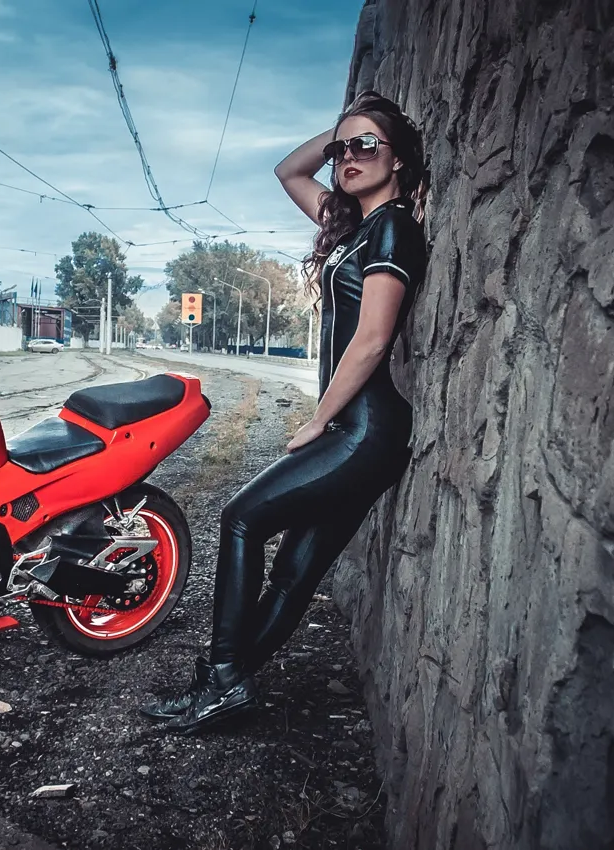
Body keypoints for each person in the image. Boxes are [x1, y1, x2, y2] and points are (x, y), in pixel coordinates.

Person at [140, 91, 430, 734]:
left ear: (401, 159)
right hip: (359, 428)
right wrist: (349, 129)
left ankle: (220, 678)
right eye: (341, 150)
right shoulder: (352, 224)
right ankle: (222, 685)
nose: (347, 158)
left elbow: (374, 338)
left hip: (364, 428)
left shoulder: (394, 228)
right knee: (296, 571)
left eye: (366, 147)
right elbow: (288, 172)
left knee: (242, 516)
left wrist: (320, 420)